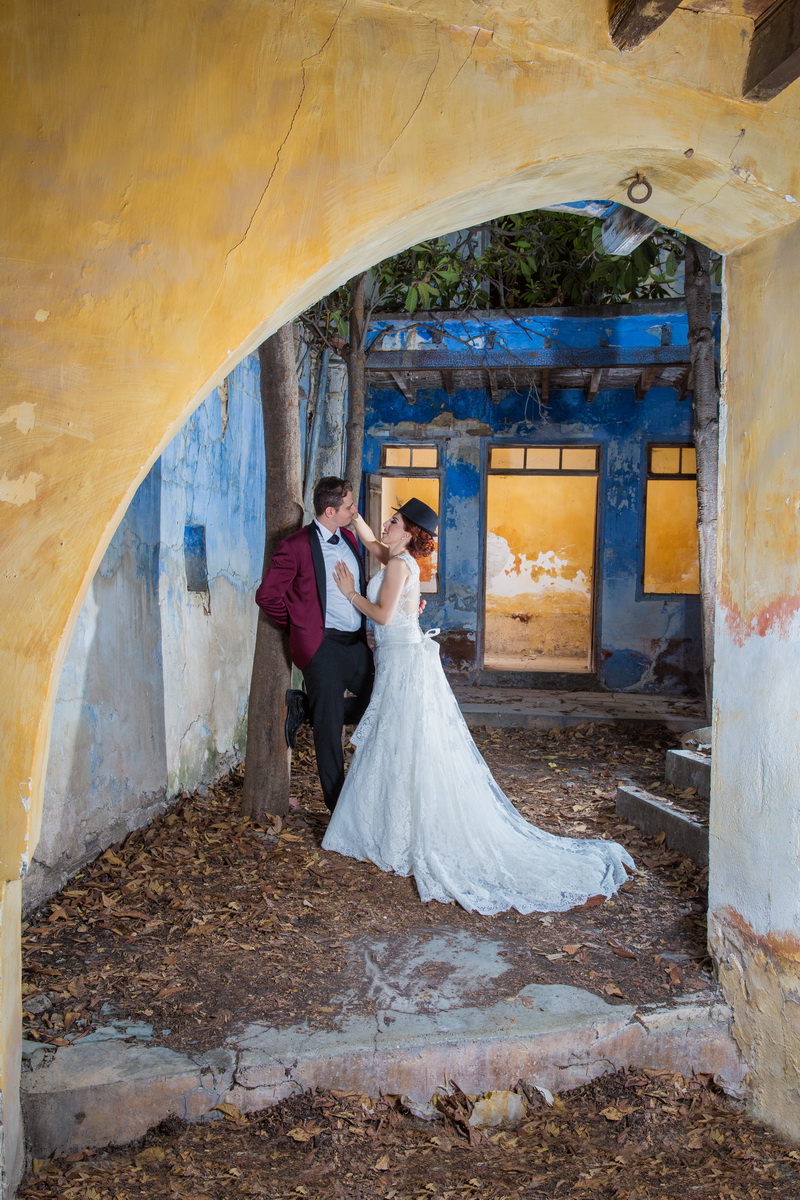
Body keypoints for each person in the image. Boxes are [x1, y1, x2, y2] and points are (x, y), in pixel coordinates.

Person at [321, 498, 634, 915]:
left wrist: (349, 594)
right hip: (398, 659)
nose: (386, 525)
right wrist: (352, 511)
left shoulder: (398, 565)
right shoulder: (393, 556)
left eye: (393, 521)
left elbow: (381, 615)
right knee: (396, 742)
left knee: (405, 741)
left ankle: (403, 830)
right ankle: (390, 827)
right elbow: (369, 541)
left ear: (409, 533)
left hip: (404, 662)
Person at [255, 477, 373, 813]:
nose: (354, 511)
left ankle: (306, 708)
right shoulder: (295, 546)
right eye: (349, 506)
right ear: (330, 511)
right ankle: (339, 810)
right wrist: (299, 626)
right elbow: (267, 596)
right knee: (329, 730)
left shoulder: (349, 538)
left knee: (381, 701)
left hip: (356, 644)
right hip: (323, 647)